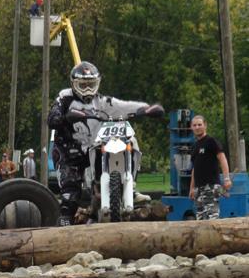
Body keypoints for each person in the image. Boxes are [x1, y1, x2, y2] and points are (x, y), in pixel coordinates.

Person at [47, 60, 164, 226]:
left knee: (130, 139)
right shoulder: (65, 97)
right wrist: (58, 116)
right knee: (70, 195)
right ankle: (64, 226)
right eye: (83, 84)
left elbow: (124, 106)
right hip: (69, 150)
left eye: (91, 84)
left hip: (92, 148)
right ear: (74, 84)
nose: (88, 89)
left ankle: (130, 186)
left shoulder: (102, 101)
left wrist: (146, 109)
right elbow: (52, 116)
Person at [188, 115, 232, 220]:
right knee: (200, 220)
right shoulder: (194, 146)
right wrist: (191, 188)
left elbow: (222, 158)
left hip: (211, 187)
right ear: (191, 127)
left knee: (212, 219)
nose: (197, 127)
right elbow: (195, 168)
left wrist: (227, 178)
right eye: (195, 125)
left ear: (205, 125)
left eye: (199, 124)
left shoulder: (211, 141)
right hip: (198, 190)